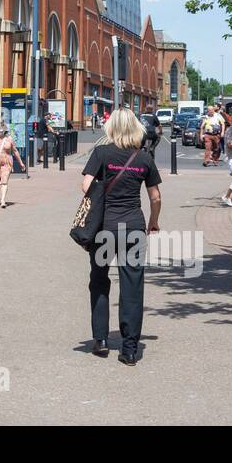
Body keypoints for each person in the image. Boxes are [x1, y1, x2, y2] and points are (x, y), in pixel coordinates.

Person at [80, 109, 162, 365]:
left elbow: (86, 186)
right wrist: (153, 222)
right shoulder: (144, 157)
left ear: (112, 127)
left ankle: (101, 340)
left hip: (105, 227)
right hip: (134, 228)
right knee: (132, 286)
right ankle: (129, 349)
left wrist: (103, 187)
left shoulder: (102, 153)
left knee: (100, 280)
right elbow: (156, 197)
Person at [0, 121, 26, 208]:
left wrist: (21, 163)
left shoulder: (9, 138)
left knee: (4, 181)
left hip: (7, 161)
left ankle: (3, 200)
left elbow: (15, 151)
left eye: (2, 129)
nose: (1, 131)